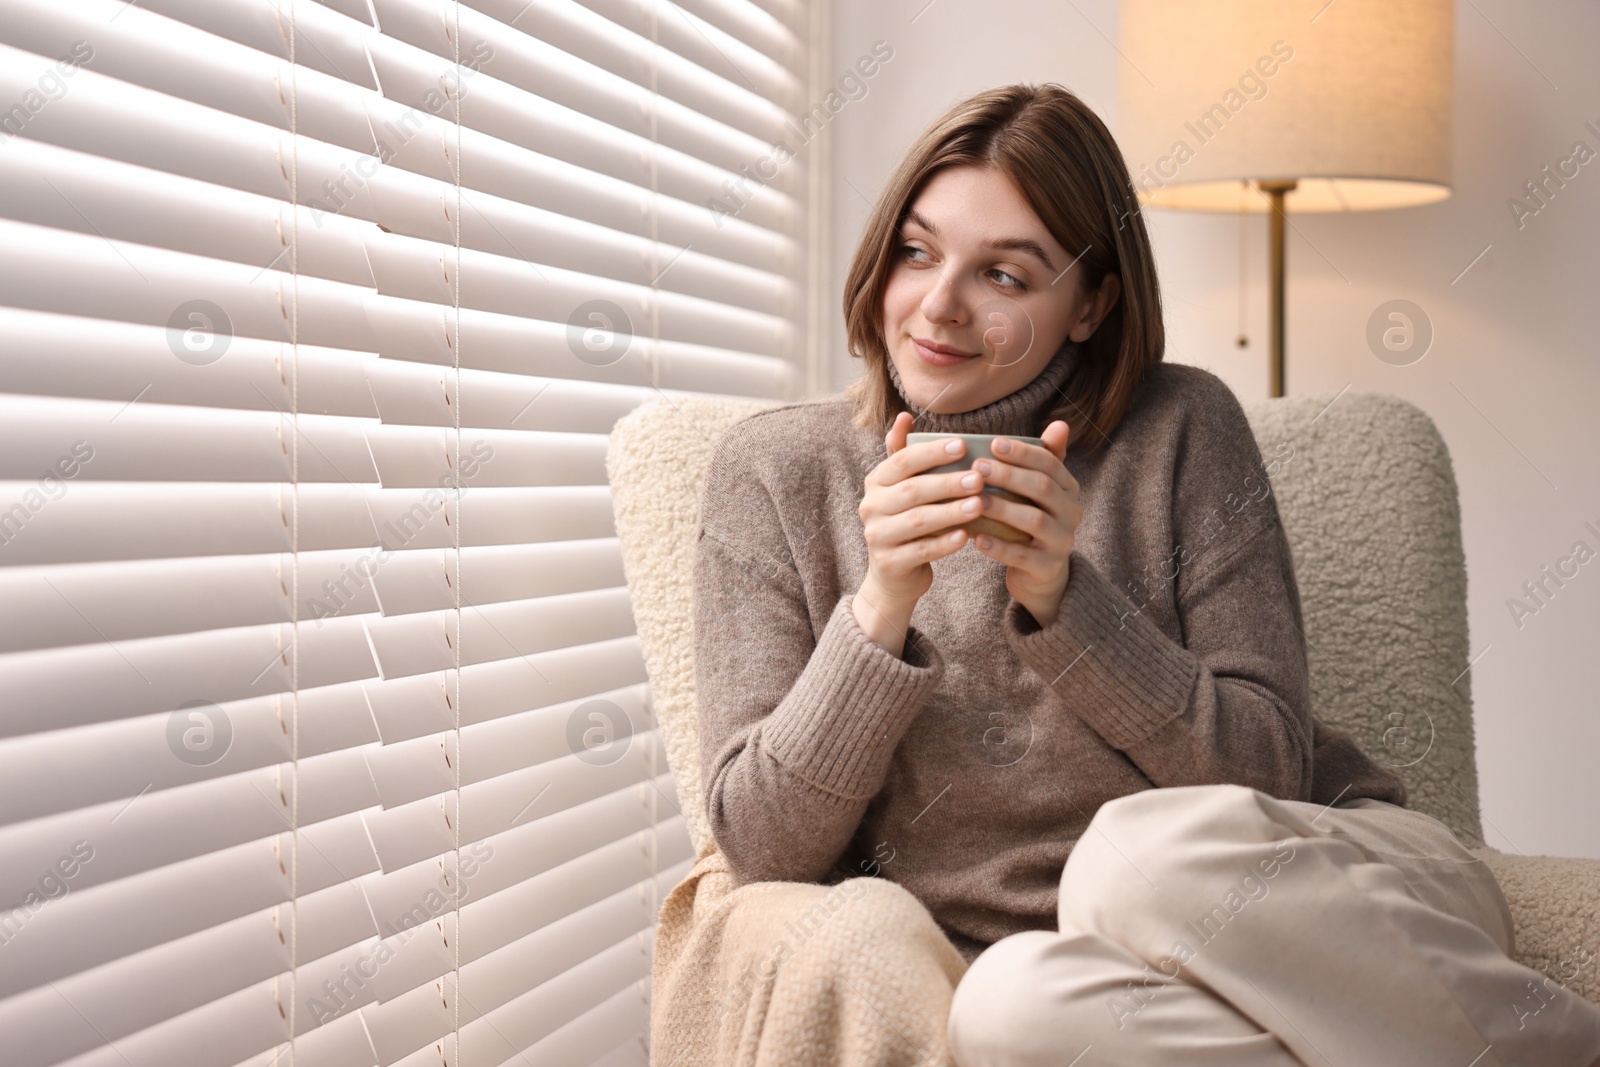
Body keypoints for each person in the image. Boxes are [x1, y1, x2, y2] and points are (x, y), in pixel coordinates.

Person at [690, 82, 1600, 1066]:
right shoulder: (775, 472)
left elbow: (1267, 769)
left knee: (1129, 862)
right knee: (1005, 1008)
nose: (938, 303)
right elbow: (761, 847)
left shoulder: (1182, 427)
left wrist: (1066, 601)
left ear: (1093, 303)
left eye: (1004, 273)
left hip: (1324, 892)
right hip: (1084, 982)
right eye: (916, 250)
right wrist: (880, 605)